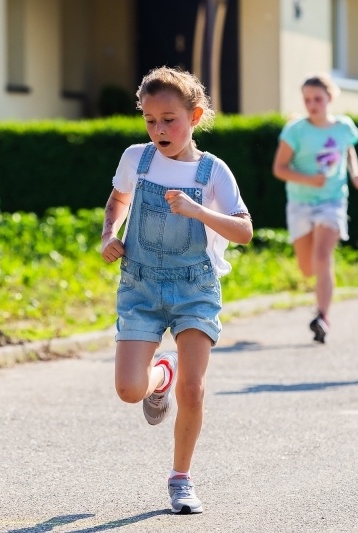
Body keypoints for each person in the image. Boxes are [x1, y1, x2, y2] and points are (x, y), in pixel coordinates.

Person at [100, 66, 253, 514]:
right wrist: (110, 235)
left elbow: (244, 230)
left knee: (194, 388)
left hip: (194, 288)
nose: (159, 129)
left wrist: (198, 211)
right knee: (129, 390)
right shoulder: (137, 160)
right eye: (150, 120)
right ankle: (158, 377)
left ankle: (181, 479)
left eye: (169, 119)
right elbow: (117, 202)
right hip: (141, 286)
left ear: (196, 114)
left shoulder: (212, 172)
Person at [272, 74, 358, 343]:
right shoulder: (295, 131)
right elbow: (279, 169)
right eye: (307, 100)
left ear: (330, 98)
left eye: (318, 99)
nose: (312, 104)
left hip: (333, 200)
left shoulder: (345, 126)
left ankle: (322, 317)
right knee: (307, 267)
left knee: (323, 257)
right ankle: (320, 298)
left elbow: (348, 149)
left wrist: (355, 173)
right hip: (301, 202)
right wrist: (309, 179)